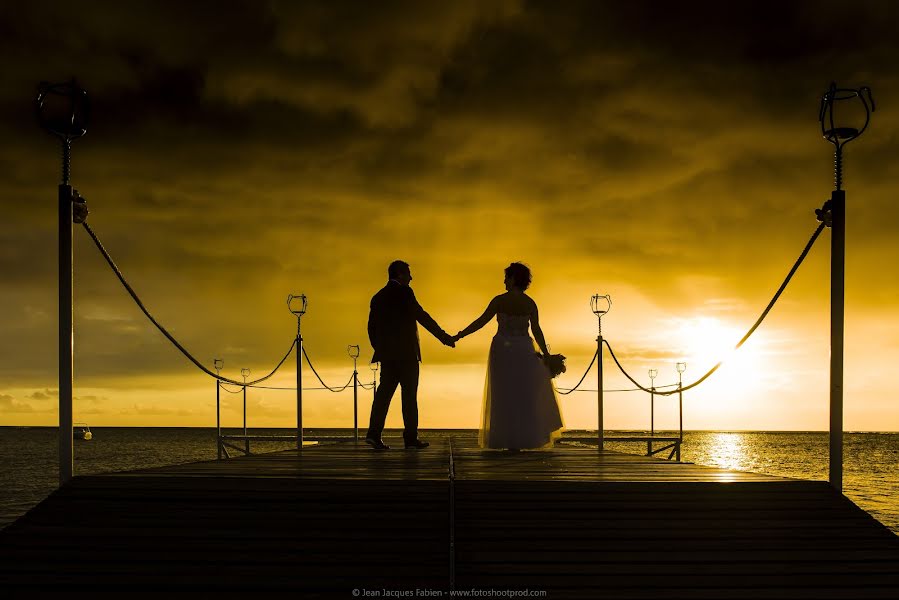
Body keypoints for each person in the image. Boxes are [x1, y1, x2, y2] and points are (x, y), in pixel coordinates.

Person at [453, 262, 563, 449]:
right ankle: (522, 438)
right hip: (524, 350)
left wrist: (459, 335)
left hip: (502, 351)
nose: (504, 281)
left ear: (513, 279)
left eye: (506, 277)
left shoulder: (499, 301)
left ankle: (507, 438)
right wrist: (546, 354)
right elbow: (536, 330)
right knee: (523, 395)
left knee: (503, 395)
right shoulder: (529, 303)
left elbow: (480, 322)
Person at [365, 260, 455, 450]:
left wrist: (380, 348)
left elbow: (371, 328)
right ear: (399, 274)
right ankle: (410, 438)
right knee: (409, 397)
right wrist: (444, 337)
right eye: (408, 274)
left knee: (383, 395)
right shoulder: (405, 293)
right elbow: (421, 316)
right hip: (407, 354)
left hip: (388, 356)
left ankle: (374, 434)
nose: (411, 278)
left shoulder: (378, 297)